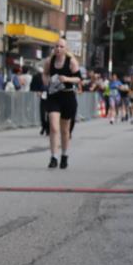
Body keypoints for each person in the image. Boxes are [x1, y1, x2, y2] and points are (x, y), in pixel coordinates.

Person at [42, 39, 80, 169]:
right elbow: (45, 73)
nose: (58, 48)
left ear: (66, 48)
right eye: (56, 46)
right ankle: (54, 157)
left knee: (65, 130)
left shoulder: (71, 61)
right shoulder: (49, 61)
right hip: (54, 96)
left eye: (61, 46)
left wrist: (67, 79)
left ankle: (64, 155)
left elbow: (78, 78)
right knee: (53, 127)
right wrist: (47, 82)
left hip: (68, 96)